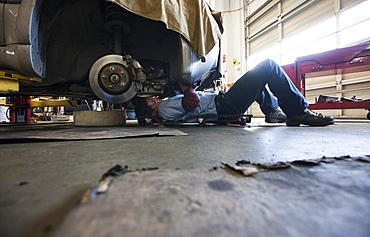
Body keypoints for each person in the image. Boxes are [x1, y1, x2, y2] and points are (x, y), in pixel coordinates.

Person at [134, 59, 335, 126]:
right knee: (268, 66)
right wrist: (185, 85)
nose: (154, 98)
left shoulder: (165, 109)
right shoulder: (165, 110)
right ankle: (297, 111)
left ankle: (272, 112)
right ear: (152, 113)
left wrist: (182, 88)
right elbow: (192, 102)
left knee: (255, 83)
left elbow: (188, 103)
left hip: (223, 104)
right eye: (151, 102)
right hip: (225, 106)